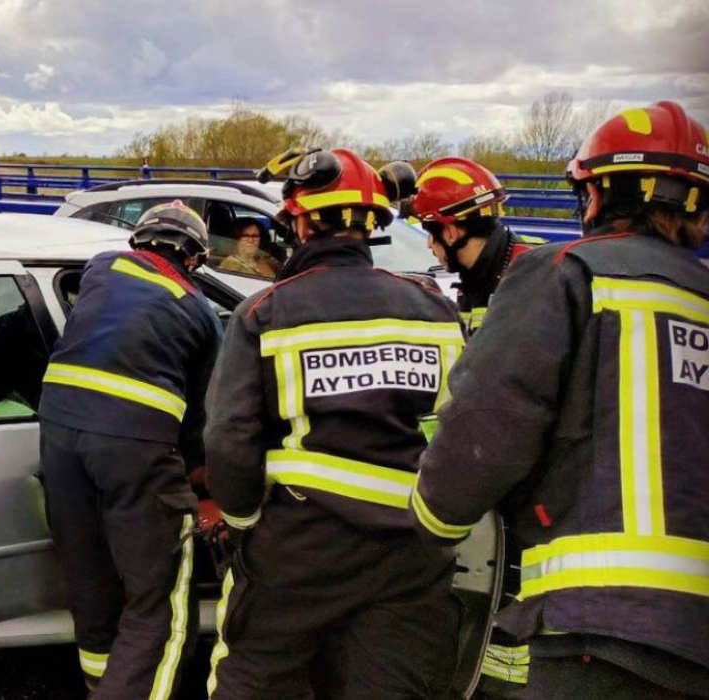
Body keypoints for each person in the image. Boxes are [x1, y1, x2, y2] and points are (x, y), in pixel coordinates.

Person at [409, 100, 709, 699]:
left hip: (599, 629)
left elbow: (485, 422)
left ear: (594, 195)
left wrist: (434, 519)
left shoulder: (565, 272)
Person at [204, 147, 465, 699]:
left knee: (255, 676)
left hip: (300, 543)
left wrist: (244, 518)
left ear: (299, 221)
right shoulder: (435, 310)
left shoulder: (267, 312)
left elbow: (229, 437)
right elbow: (460, 429)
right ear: (374, 225)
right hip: (411, 549)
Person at [37, 200, 221, 699]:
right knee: (159, 603)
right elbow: (203, 421)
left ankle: (102, 683)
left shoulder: (100, 267)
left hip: (58, 438)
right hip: (135, 451)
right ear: (196, 259)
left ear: (137, 242)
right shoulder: (201, 312)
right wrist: (199, 479)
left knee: (90, 582)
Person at [410, 157, 545, 334]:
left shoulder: (531, 274)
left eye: (431, 235)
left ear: (451, 234)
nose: (429, 245)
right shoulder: (476, 275)